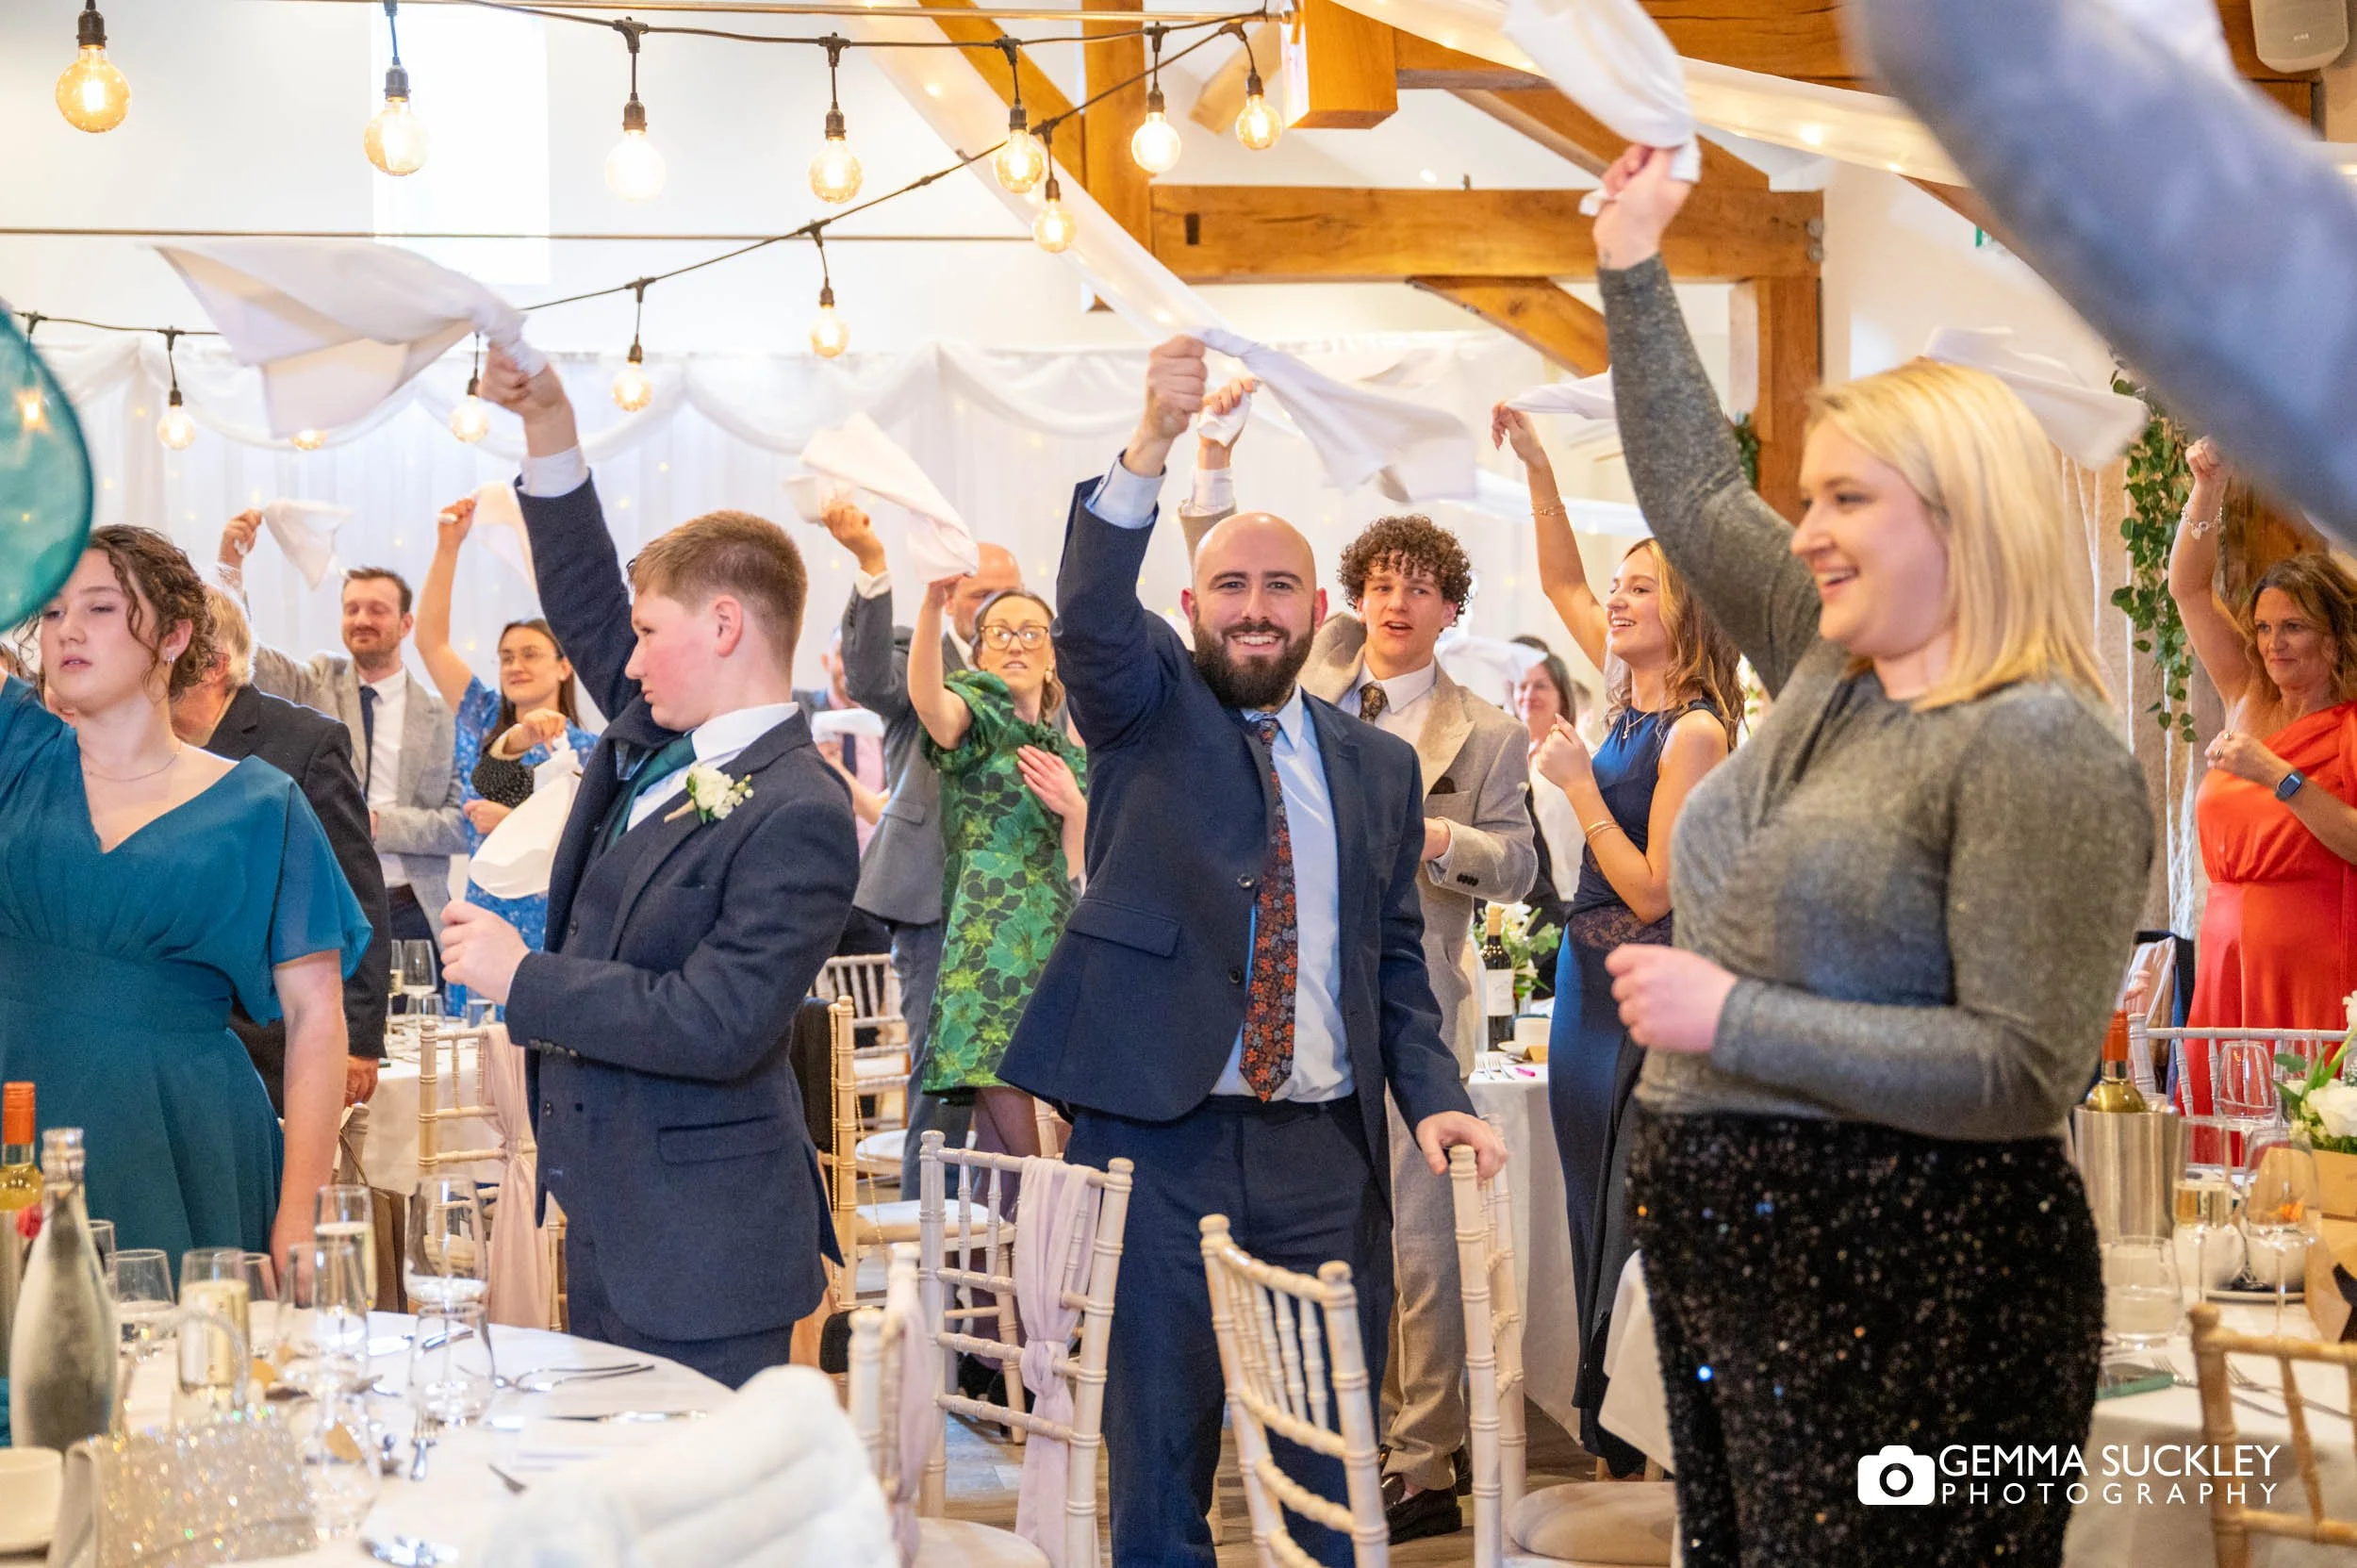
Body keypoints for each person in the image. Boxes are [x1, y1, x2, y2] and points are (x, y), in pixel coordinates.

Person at [1591, 148, 2152, 1565]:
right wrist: (1632, 262)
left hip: (1920, 1281)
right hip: (1740, 1262)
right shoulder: (1826, 661)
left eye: (1848, 500)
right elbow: (1693, 492)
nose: (1808, 534)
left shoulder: (2038, 743)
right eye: (1810, 499)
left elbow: (2021, 1069)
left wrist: (1733, 1016)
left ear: (1962, 517)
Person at [998, 337, 1507, 1568]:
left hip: (1323, 1155)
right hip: (1157, 1142)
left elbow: (1395, 963)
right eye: (1230, 585)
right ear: (1192, 608)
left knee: (1329, 1467)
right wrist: (1152, 442)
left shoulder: (1378, 768)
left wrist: (1433, 1096)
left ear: (1318, 611)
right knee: (1159, 1463)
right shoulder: (1145, 715)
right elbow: (1088, 610)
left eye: (1281, 586)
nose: (1256, 607)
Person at [446, 348, 858, 1389]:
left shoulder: (802, 809)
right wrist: (548, 427)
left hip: (705, 1248)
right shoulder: (658, 732)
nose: (622, 661)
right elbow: (585, 592)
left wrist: (522, 977)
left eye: (646, 634)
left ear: (723, 625)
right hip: (615, 1216)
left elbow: (716, 1021)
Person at [1178, 399, 1535, 1542]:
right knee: (1305, 1242)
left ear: (1449, 609)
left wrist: (1440, 839)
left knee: (1421, 1246)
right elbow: (1229, 594)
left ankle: (1420, 1457)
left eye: (1419, 587)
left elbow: (1522, 864)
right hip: (1280, 1007)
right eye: (1379, 582)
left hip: (1412, 1000)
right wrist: (1212, 462)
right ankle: (1300, 1433)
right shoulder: (1310, 669)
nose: (1395, 601)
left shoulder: (1484, 730)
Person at [1, 528, 370, 1262]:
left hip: (179, 1135)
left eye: (100, 607)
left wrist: (303, 1212)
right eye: (53, 610)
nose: (67, 629)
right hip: (19, 1104)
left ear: (174, 635)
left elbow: (316, 1018)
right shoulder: (16, 752)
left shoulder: (263, 805)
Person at [1494, 400, 1741, 1473]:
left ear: (1688, 614)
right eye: (1621, 584)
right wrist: (1540, 467)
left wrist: (1576, 784)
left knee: (1634, 1209)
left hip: (1645, 985)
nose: (1617, 597)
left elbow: (1650, 891)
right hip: (1581, 988)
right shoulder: (1620, 697)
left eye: (1643, 586)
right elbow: (1561, 578)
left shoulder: (1696, 731)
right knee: (1586, 1201)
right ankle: (1610, 1432)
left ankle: (1639, 1434)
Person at [823, 505, 1023, 1195]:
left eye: (1009, 592)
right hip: (933, 896)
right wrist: (873, 567)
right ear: (954, 592)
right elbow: (869, 679)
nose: (996, 606)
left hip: (1023, 904)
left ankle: (1014, 1230)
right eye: (981, 592)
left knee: (1020, 1076)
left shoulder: (1037, 661)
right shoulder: (922, 649)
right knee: (943, 1077)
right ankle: (926, 1230)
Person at [2166, 437, 2357, 1106]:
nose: (2274, 644)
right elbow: (2188, 588)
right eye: (2265, 627)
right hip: (2225, 958)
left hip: (2313, 963)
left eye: (2294, 627)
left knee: (2303, 1134)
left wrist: (2280, 776)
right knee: (2218, 1130)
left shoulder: (2350, 726)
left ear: (2335, 636)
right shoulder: (2246, 690)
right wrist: (2207, 490)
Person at [899, 557, 1087, 1188]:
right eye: (999, 632)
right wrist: (932, 603)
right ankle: (1038, 1251)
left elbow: (1079, 862)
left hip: (1055, 935)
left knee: (1025, 1160)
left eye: (1032, 632)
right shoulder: (978, 717)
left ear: (1052, 656)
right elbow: (928, 700)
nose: (1016, 643)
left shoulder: (1065, 749)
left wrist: (1075, 807)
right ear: (978, 652)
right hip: (991, 944)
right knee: (1035, 1156)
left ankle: (1013, 1254)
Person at [172, 586, 391, 1112]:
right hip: (179, 1030)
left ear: (212, 665)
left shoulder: (306, 742)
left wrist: (359, 1039)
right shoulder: (142, 743)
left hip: (274, 1037)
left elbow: (357, 891)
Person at [221, 516, 468, 950]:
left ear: (406, 624)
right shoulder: (316, 680)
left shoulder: (443, 714)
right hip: (324, 901)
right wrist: (230, 567)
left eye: (377, 610)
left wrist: (378, 824)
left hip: (413, 911)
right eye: (351, 609)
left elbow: (461, 825)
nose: (361, 619)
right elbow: (250, 657)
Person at [411, 495, 599, 988]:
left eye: (530, 654)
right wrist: (448, 546)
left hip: (554, 921)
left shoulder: (592, 749)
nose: (515, 665)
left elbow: (596, 844)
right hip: (484, 910)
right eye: (506, 656)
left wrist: (514, 823)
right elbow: (430, 643)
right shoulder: (481, 718)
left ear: (564, 666)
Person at [1510, 642, 1583, 915]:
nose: (1529, 695)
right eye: (1522, 686)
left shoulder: (1582, 754)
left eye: (1540, 686)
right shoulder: (1507, 757)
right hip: (1518, 898)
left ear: (1562, 695)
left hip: (1567, 895)